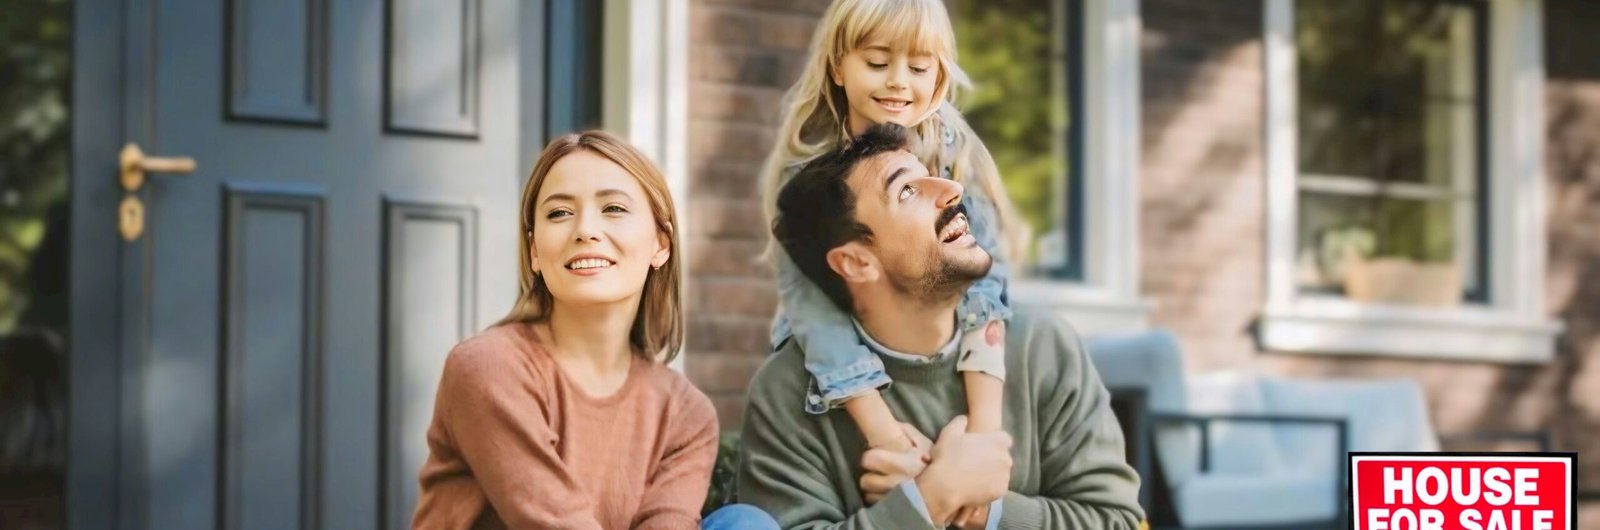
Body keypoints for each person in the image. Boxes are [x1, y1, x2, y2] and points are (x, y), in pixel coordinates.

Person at [740, 123, 1143, 529]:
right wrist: (931, 497)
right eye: (907, 191)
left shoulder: (1042, 347)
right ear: (856, 262)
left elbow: (1118, 522)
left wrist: (983, 511)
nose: (952, 192)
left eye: (933, 175)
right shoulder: (787, 394)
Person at [411, 131, 778, 530]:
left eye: (614, 208)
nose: (585, 230)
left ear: (661, 243)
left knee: (746, 524)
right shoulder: (488, 367)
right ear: (535, 252)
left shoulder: (685, 414)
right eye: (559, 213)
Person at [759, 0, 1025, 463]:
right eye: (878, 62)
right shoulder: (806, 175)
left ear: (938, 77)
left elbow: (986, 286)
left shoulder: (952, 151)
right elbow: (814, 316)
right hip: (837, 359)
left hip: (938, 350)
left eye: (919, 67)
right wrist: (885, 435)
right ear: (838, 67)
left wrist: (983, 431)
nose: (899, 80)